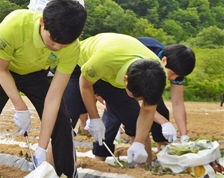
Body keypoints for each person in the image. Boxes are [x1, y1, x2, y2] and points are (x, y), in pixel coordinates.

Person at [0, 0, 87, 178]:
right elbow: (1, 70)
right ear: (42, 22)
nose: (57, 47)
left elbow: (54, 96)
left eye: (64, 44)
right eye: (53, 40)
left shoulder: (72, 47)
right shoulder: (15, 25)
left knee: (62, 122)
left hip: (35, 73)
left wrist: (41, 148)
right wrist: (20, 106)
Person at [63, 33, 167, 167]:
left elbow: (148, 109)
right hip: (79, 66)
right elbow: (85, 84)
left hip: (114, 70)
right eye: (135, 96)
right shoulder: (103, 60)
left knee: (134, 118)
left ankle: (144, 170)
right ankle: (53, 168)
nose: (136, 100)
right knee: (66, 120)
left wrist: (139, 143)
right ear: (126, 80)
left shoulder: (156, 75)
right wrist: (94, 118)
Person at [102, 38, 195, 149]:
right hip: (120, 79)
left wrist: (184, 135)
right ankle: (108, 152)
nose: (174, 78)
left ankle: (162, 151)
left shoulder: (176, 67)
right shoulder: (146, 58)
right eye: (173, 74)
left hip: (148, 80)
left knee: (162, 111)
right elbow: (142, 101)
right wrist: (164, 123)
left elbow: (178, 102)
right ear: (164, 61)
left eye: (178, 76)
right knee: (127, 116)